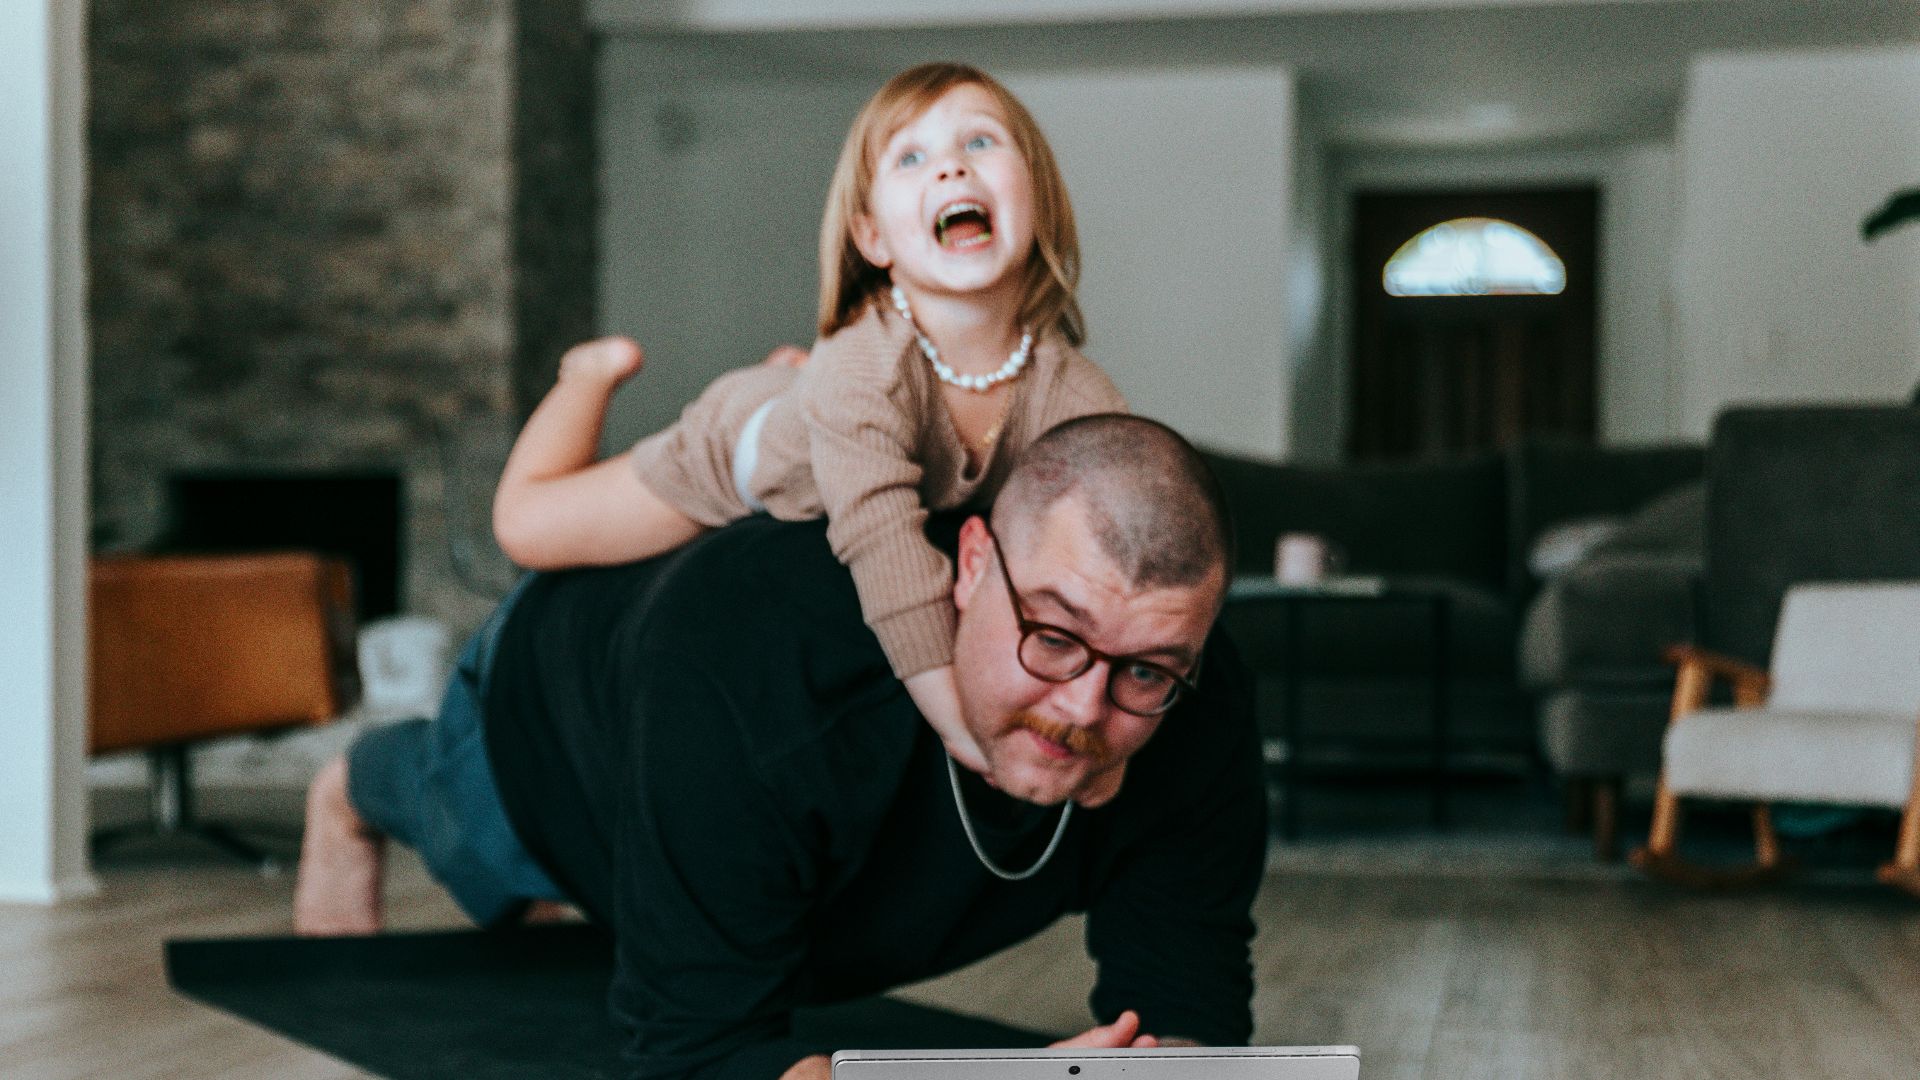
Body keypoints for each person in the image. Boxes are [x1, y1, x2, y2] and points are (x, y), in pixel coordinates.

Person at [295, 415, 1267, 1080]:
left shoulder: (1195, 701)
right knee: (473, 842)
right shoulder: (753, 688)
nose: (1087, 710)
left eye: (1144, 670)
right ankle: (355, 784)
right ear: (971, 566)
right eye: (1051, 636)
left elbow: (1189, 1010)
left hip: (767, 818)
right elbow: (698, 1060)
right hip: (558, 714)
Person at [489, 62, 1128, 779]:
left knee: (824, 400)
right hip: (735, 452)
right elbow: (886, 550)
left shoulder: (1074, 389)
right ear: (874, 239)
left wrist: (1104, 739)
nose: (950, 168)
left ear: (1037, 196)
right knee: (527, 527)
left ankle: (794, 382)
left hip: (822, 404)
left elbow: (1114, 544)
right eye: (912, 157)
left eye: (980, 143)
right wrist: (963, 730)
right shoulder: (866, 371)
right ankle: (589, 375)